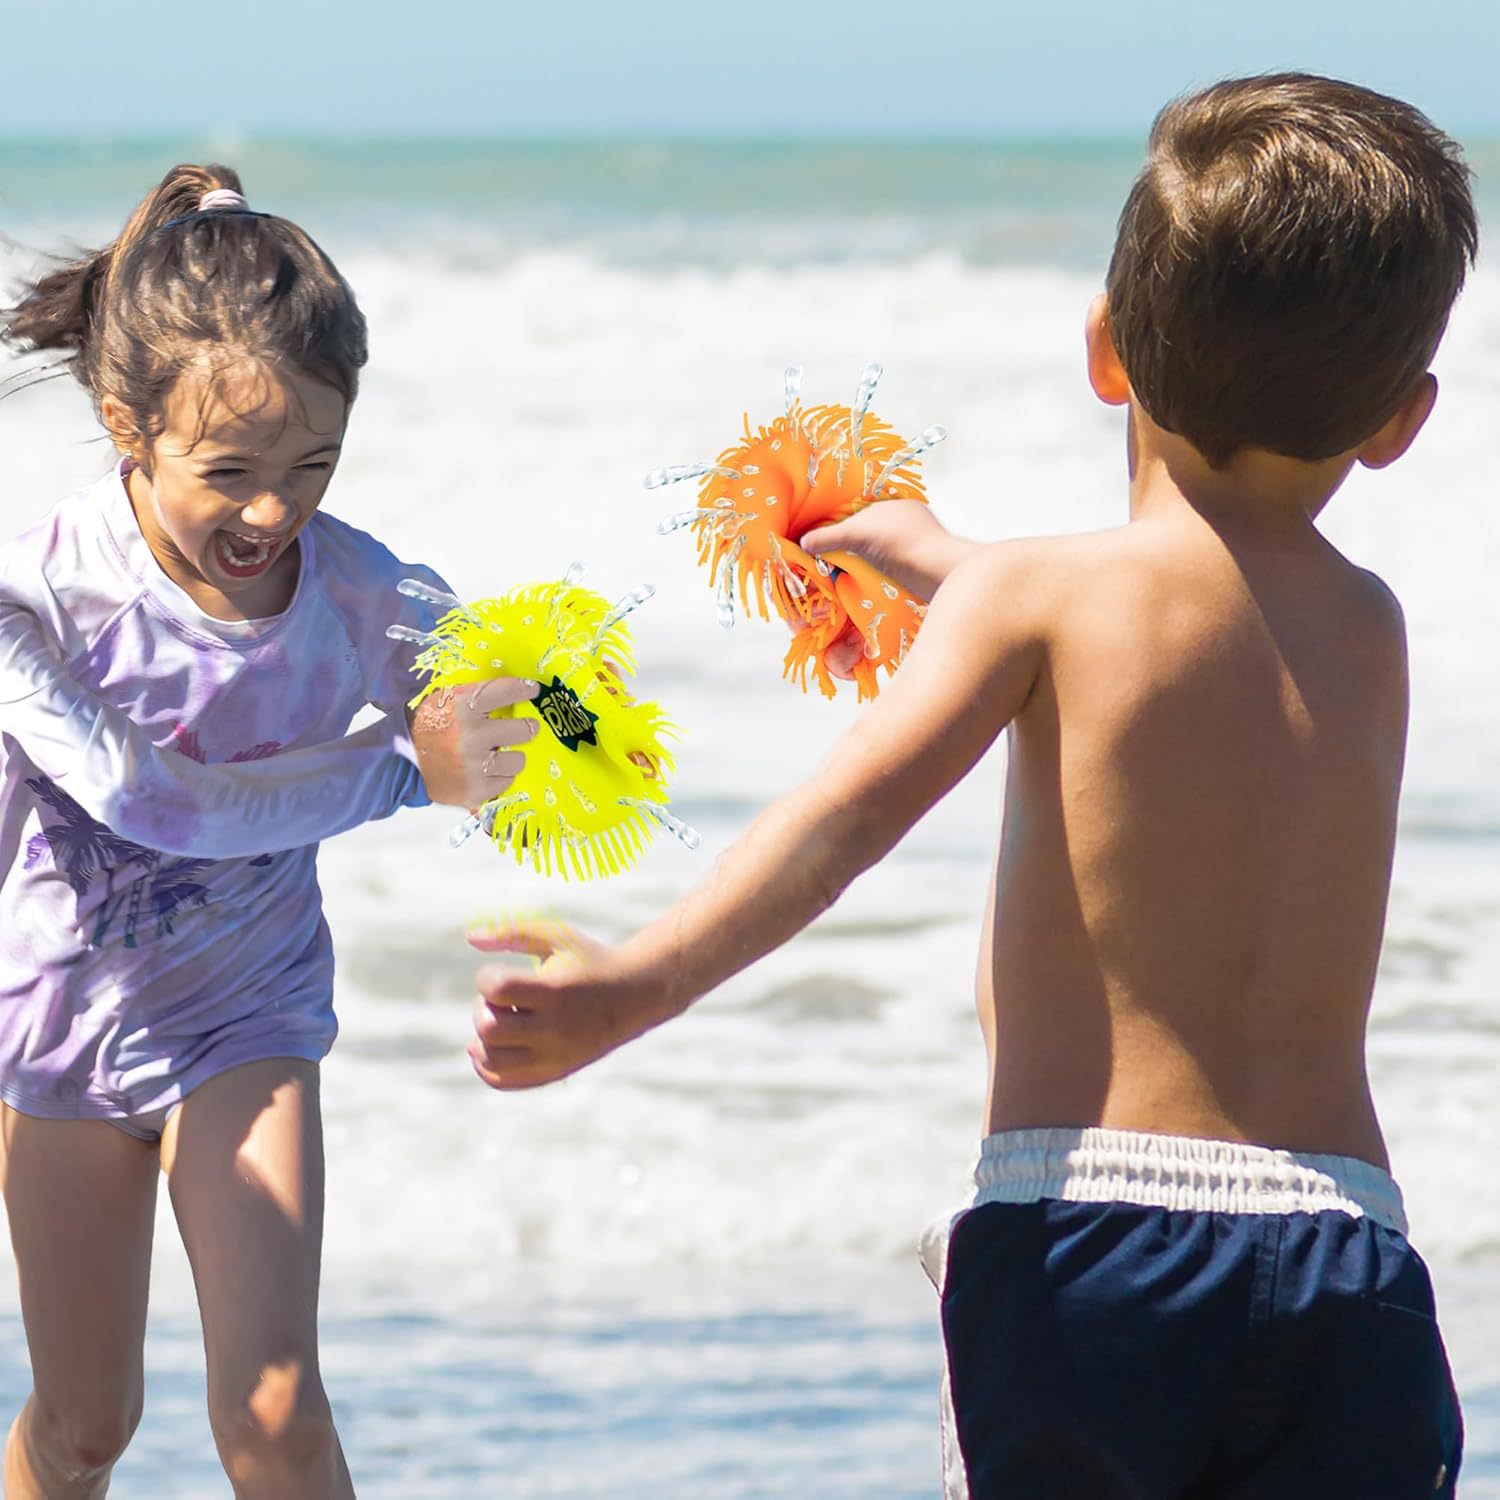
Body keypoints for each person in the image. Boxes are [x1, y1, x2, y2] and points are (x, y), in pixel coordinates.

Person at [466, 76, 1476, 1497]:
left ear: (1105, 351)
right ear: (1401, 421)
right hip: (1349, 1261)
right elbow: (1184, 629)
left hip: (1094, 1247)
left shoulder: (1035, 603)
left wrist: (629, 988)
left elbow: (844, 823)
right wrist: (961, 570)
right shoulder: (1367, 629)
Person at [0, 164, 532, 1499]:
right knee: (81, 1428)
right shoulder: (38, 597)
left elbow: (534, 704)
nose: (271, 513)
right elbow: (150, 802)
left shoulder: (359, 589)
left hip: (247, 1017)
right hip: (52, 1030)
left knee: (277, 1409)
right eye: (228, 472)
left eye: (313, 466)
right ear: (128, 425)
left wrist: (563, 726)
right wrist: (413, 775)